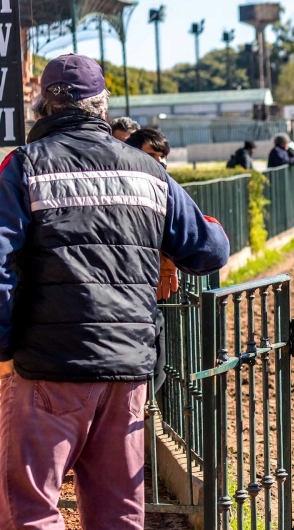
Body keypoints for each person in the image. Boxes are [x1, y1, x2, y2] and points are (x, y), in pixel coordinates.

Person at [0, 53, 230, 528]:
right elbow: (209, 250)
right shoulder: (148, 172)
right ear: (102, 108)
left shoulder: (22, 166)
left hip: (49, 364)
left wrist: (3, 347)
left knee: (29, 509)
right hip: (128, 370)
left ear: (44, 106)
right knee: (120, 513)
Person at [125, 128, 175, 392]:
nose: (160, 163)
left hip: (150, 294)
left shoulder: (164, 186)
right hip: (130, 294)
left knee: (158, 370)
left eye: (163, 157)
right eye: (153, 155)